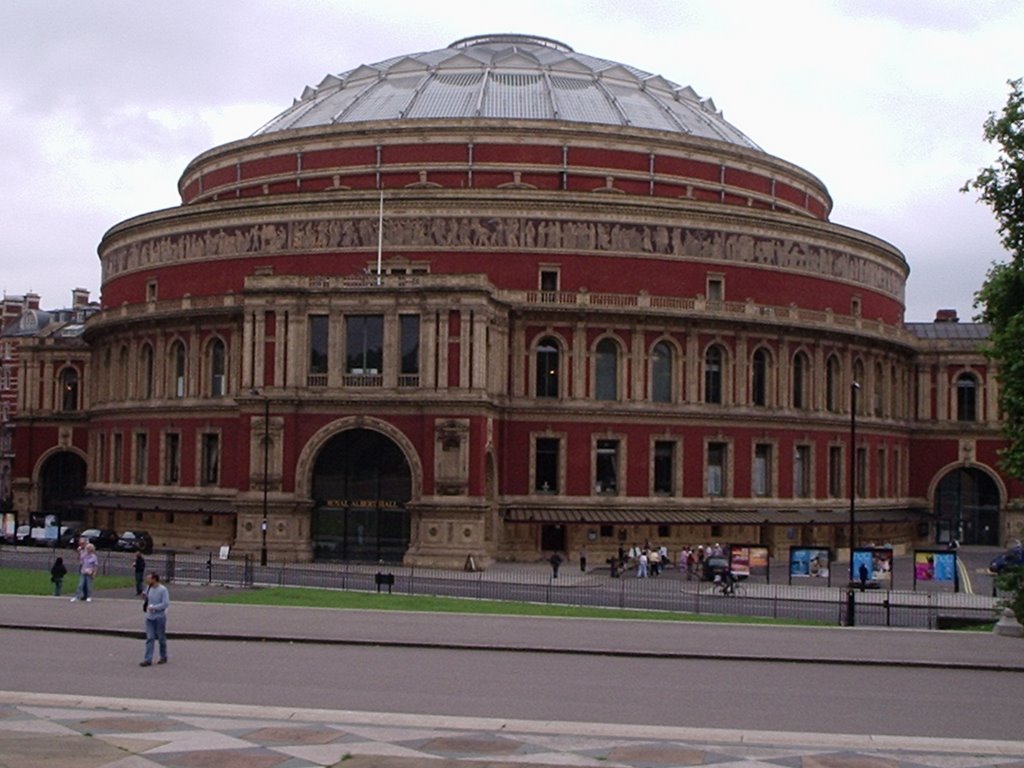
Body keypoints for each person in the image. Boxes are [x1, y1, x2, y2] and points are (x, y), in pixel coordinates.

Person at [140, 572, 169, 666]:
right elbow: (147, 598)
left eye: (149, 578)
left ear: (154, 579)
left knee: (161, 638)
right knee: (150, 638)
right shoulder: (148, 588)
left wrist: (155, 607)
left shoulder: (163, 590)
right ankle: (148, 659)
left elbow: (165, 603)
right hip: (150, 617)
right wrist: (144, 597)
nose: (147, 580)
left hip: (159, 617)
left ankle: (163, 656)